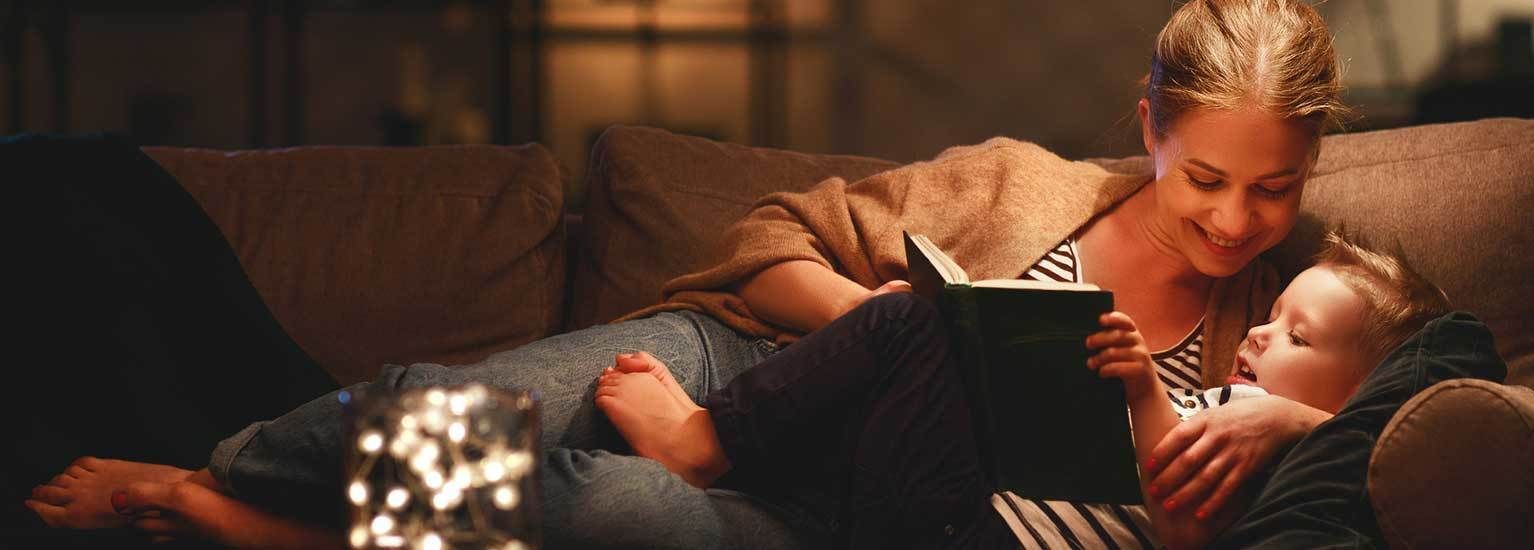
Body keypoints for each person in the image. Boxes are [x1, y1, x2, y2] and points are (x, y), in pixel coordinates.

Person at [19, 0, 1351, 547]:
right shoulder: (1016, 185)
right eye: (1206, 178)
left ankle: (253, 517)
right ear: (1149, 130)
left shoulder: (1290, 314)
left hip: (834, 505)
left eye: (1274, 188)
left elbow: (1443, 372)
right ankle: (239, 474)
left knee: (614, 508)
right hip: (757, 369)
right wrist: (871, 310)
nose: (1236, 220)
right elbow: (768, 236)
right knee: (463, 408)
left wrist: (1297, 415)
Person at [593, 229, 1457, 549]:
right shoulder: (1249, 413)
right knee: (915, 326)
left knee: (905, 329)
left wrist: (1147, 392)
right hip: (944, 503)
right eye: (1272, 313)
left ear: (1354, 399)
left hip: (972, 535)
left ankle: (705, 445)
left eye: (1298, 336)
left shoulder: (1255, 429)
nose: (1262, 332)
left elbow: (1184, 521)